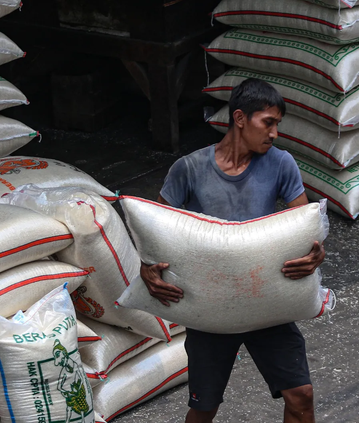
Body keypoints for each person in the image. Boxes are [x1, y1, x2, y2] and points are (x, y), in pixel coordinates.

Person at [140, 78, 325, 423]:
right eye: (268, 123)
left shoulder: (281, 163)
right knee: (204, 406)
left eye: (277, 125)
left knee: (301, 395)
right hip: (213, 306)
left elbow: (305, 228)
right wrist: (147, 267)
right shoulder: (190, 169)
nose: (274, 134)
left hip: (266, 300)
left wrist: (315, 255)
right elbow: (154, 228)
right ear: (240, 118)